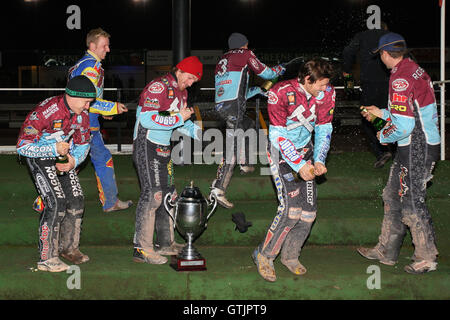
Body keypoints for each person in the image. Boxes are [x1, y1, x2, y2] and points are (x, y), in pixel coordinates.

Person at [357, 33, 440, 274]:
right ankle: (387, 250)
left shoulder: (400, 78)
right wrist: (381, 113)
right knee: (392, 195)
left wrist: (382, 135)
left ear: (384, 53)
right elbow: (407, 112)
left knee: (412, 202)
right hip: (414, 144)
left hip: (416, 146)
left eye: (380, 55)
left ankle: (426, 257)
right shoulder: (413, 69)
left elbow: (404, 126)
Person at [252, 59, 335, 282]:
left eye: (327, 85)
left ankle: (290, 256)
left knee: (308, 213)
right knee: (291, 211)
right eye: (321, 85)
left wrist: (318, 159)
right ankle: (264, 255)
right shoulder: (280, 92)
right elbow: (277, 136)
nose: (325, 89)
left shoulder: (327, 93)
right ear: (307, 79)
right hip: (281, 152)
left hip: (306, 151)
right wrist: (300, 165)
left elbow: (324, 127)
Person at [17, 75, 96, 272]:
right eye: (86, 102)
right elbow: (22, 147)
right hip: (39, 156)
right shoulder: (46, 111)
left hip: (62, 157)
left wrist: (73, 161)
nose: (88, 107)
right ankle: (47, 258)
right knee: (56, 202)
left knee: (77, 199)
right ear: (73, 96)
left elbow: (84, 143)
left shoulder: (82, 115)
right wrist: (53, 150)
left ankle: (69, 249)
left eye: (90, 103)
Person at [132, 56, 203, 264]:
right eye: (189, 78)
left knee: (168, 196)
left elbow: (176, 123)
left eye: (194, 81)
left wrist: (198, 132)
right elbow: (146, 118)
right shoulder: (158, 87)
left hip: (163, 147)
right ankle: (141, 248)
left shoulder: (182, 92)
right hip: (147, 144)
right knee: (153, 195)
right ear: (180, 70)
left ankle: (165, 243)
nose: (190, 83)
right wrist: (179, 118)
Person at [210, 32, 286, 209]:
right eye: (247, 45)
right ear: (243, 45)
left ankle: (245, 163)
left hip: (222, 107)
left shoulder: (224, 59)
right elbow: (265, 72)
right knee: (232, 148)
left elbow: (237, 89)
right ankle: (218, 189)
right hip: (233, 108)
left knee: (249, 125)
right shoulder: (245, 54)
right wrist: (279, 70)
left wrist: (258, 91)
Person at [68, 28, 132, 213]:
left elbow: (89, 100)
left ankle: (110, 201)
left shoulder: (86, 63)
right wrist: (113, 107)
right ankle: (44, 200)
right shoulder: (91, 67)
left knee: (96, 159)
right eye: (104, 45)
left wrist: (102, 112)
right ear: (92, 45)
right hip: (84, 124)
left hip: (86, 122)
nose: (108, 49)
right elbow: (87, 99)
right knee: (73, 162)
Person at [342, 22, 393, 168]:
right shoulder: (390, 37)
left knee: (367, 116)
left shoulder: (362, 36)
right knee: (393, 116)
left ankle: (381, 149)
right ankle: (394, 149)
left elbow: (347, 51)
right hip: (390, 84)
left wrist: (346, 70)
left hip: (369, 85)